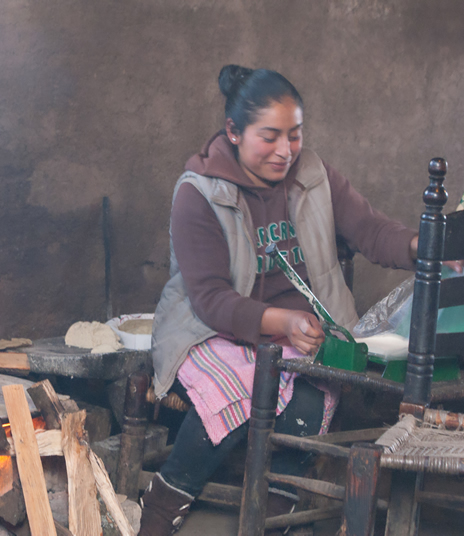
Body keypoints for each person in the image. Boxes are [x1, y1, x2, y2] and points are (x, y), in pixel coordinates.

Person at [139, 65, 419, 536]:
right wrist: (280, 321)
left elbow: (370, 231)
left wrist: (420, 247)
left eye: (295, 134)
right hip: (212, 330)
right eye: (269, 136)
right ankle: (166, 502)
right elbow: (209, 299)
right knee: (240, 382)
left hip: (302, 332)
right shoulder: (200, 192)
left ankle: (276, 509)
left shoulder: (314, 174)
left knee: (311, 394)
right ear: (233, 132)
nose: (286, 150)